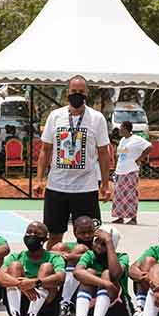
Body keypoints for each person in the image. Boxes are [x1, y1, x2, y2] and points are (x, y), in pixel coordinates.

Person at [34, 75, 112, 246]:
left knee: (87, 237)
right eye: (73, 91)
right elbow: (45, 150)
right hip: (57, 187)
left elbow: (103, 154)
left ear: (87, 93)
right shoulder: (55, 116)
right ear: (67, 93)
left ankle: (86, 270)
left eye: (81, 92)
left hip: (86, 188)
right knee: (54, 236)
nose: (77, 94)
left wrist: (105, 184)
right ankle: (54, 269)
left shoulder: (97, 118)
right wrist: (39, 180)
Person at [65, 226, 132, 316]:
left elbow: (115, 274)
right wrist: (105, 283)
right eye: (97, 241)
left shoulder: (122, 257)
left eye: (104, 243)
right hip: (91, 312)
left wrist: (109, 241)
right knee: (88, 273)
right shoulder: (89, 255)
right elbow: (77, 272)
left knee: (107, 274)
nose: (99, 246)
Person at [0, 221, 65, 316]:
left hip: (45, 310)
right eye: (28, 232)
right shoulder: (17, 256)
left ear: (45, 239)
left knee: (46, 267)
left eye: (36, 233)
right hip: (21, 305)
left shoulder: (54, 258)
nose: (31, 235)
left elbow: (60, 278)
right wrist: (22, 285)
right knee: (14, 266)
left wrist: (35, 283)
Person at [52, 214, 100, 316]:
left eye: (90, 232)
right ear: (75, 232)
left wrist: (69, 256)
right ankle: (60, 301)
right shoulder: (67, 246)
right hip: (64, 285)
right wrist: (57, 254)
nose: (87, 236)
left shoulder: (98, 246)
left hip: (87, 289)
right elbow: (47, 254)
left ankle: (65, 303)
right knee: (58, 247)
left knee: (80, 249)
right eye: (83, 233)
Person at [110, 119, 151, 224]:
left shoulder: (136, 139)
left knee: (131, 195)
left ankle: (133, 218)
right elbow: (119, 155)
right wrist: (115, 169)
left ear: (127, 129)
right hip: (120, 170)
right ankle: (120, 216)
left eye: (121, 129)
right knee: (119, 196)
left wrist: (140, 159)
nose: (119, 130)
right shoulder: (123, 140)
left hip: (131, 170)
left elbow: (149, 147)